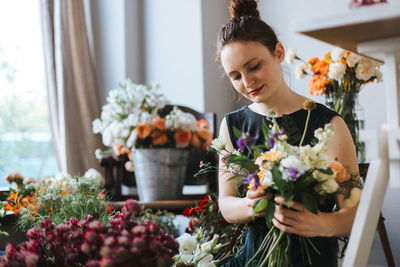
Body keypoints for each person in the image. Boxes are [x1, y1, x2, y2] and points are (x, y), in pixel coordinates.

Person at [216, 0, 360, 266]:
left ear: (279, 53)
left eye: (254, 66)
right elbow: (225, 205)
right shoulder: (233, 124)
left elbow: (356, 214)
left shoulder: (329, 124)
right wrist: (250, 204)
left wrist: (320, 224)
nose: (247, 83)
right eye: (235, 76)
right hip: (253, 259)